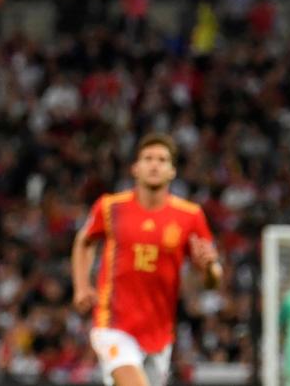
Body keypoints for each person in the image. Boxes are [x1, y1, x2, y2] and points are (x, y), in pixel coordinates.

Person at [71, 133, 223, 386]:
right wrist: (81, 286)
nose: (154, 164)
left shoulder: (190, 216)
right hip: (113, 324)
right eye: (148, 158)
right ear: (136, 168)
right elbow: (84, 241)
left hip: (159, 333)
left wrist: (209, 268)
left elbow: (212, 281)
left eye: (162, 160)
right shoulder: (110, 207)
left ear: (172, 171)